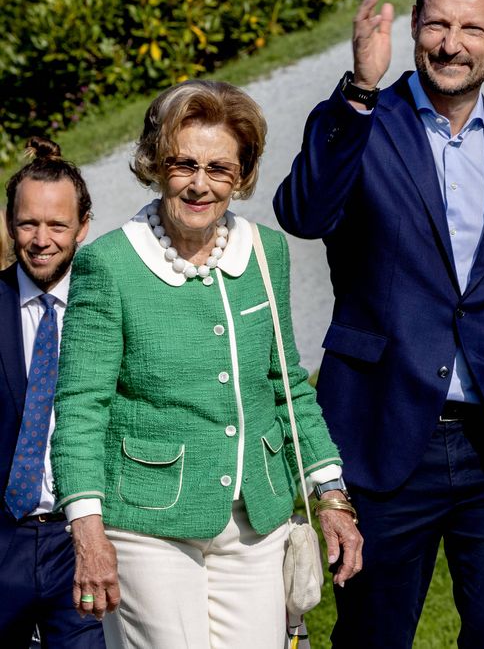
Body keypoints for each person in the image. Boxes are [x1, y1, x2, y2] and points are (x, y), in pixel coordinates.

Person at [275, 0, 484, 648]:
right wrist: (360, 86)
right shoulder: (361, 123)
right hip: (384, 441)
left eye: (472, 28)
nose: (452, 43)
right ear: (415, 25)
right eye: (438, 23)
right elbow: (303, 210)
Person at [48, 80, 363, 648]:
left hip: (255, 517)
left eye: (219, 169)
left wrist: (331, 496)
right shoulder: (109, 266)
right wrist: (87, 530)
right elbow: (80, 407)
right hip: (147, 522)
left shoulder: (266, 253)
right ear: (154, 164)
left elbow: (287, 383)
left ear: (241, 177)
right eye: (183, 164)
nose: (200, 184)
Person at [1, 137, 104, 647]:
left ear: (83, 226)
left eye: (57, 225)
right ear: (9, 224)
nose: (41, 239)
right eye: (27, 223)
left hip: (81, 538)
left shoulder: (106, 305)